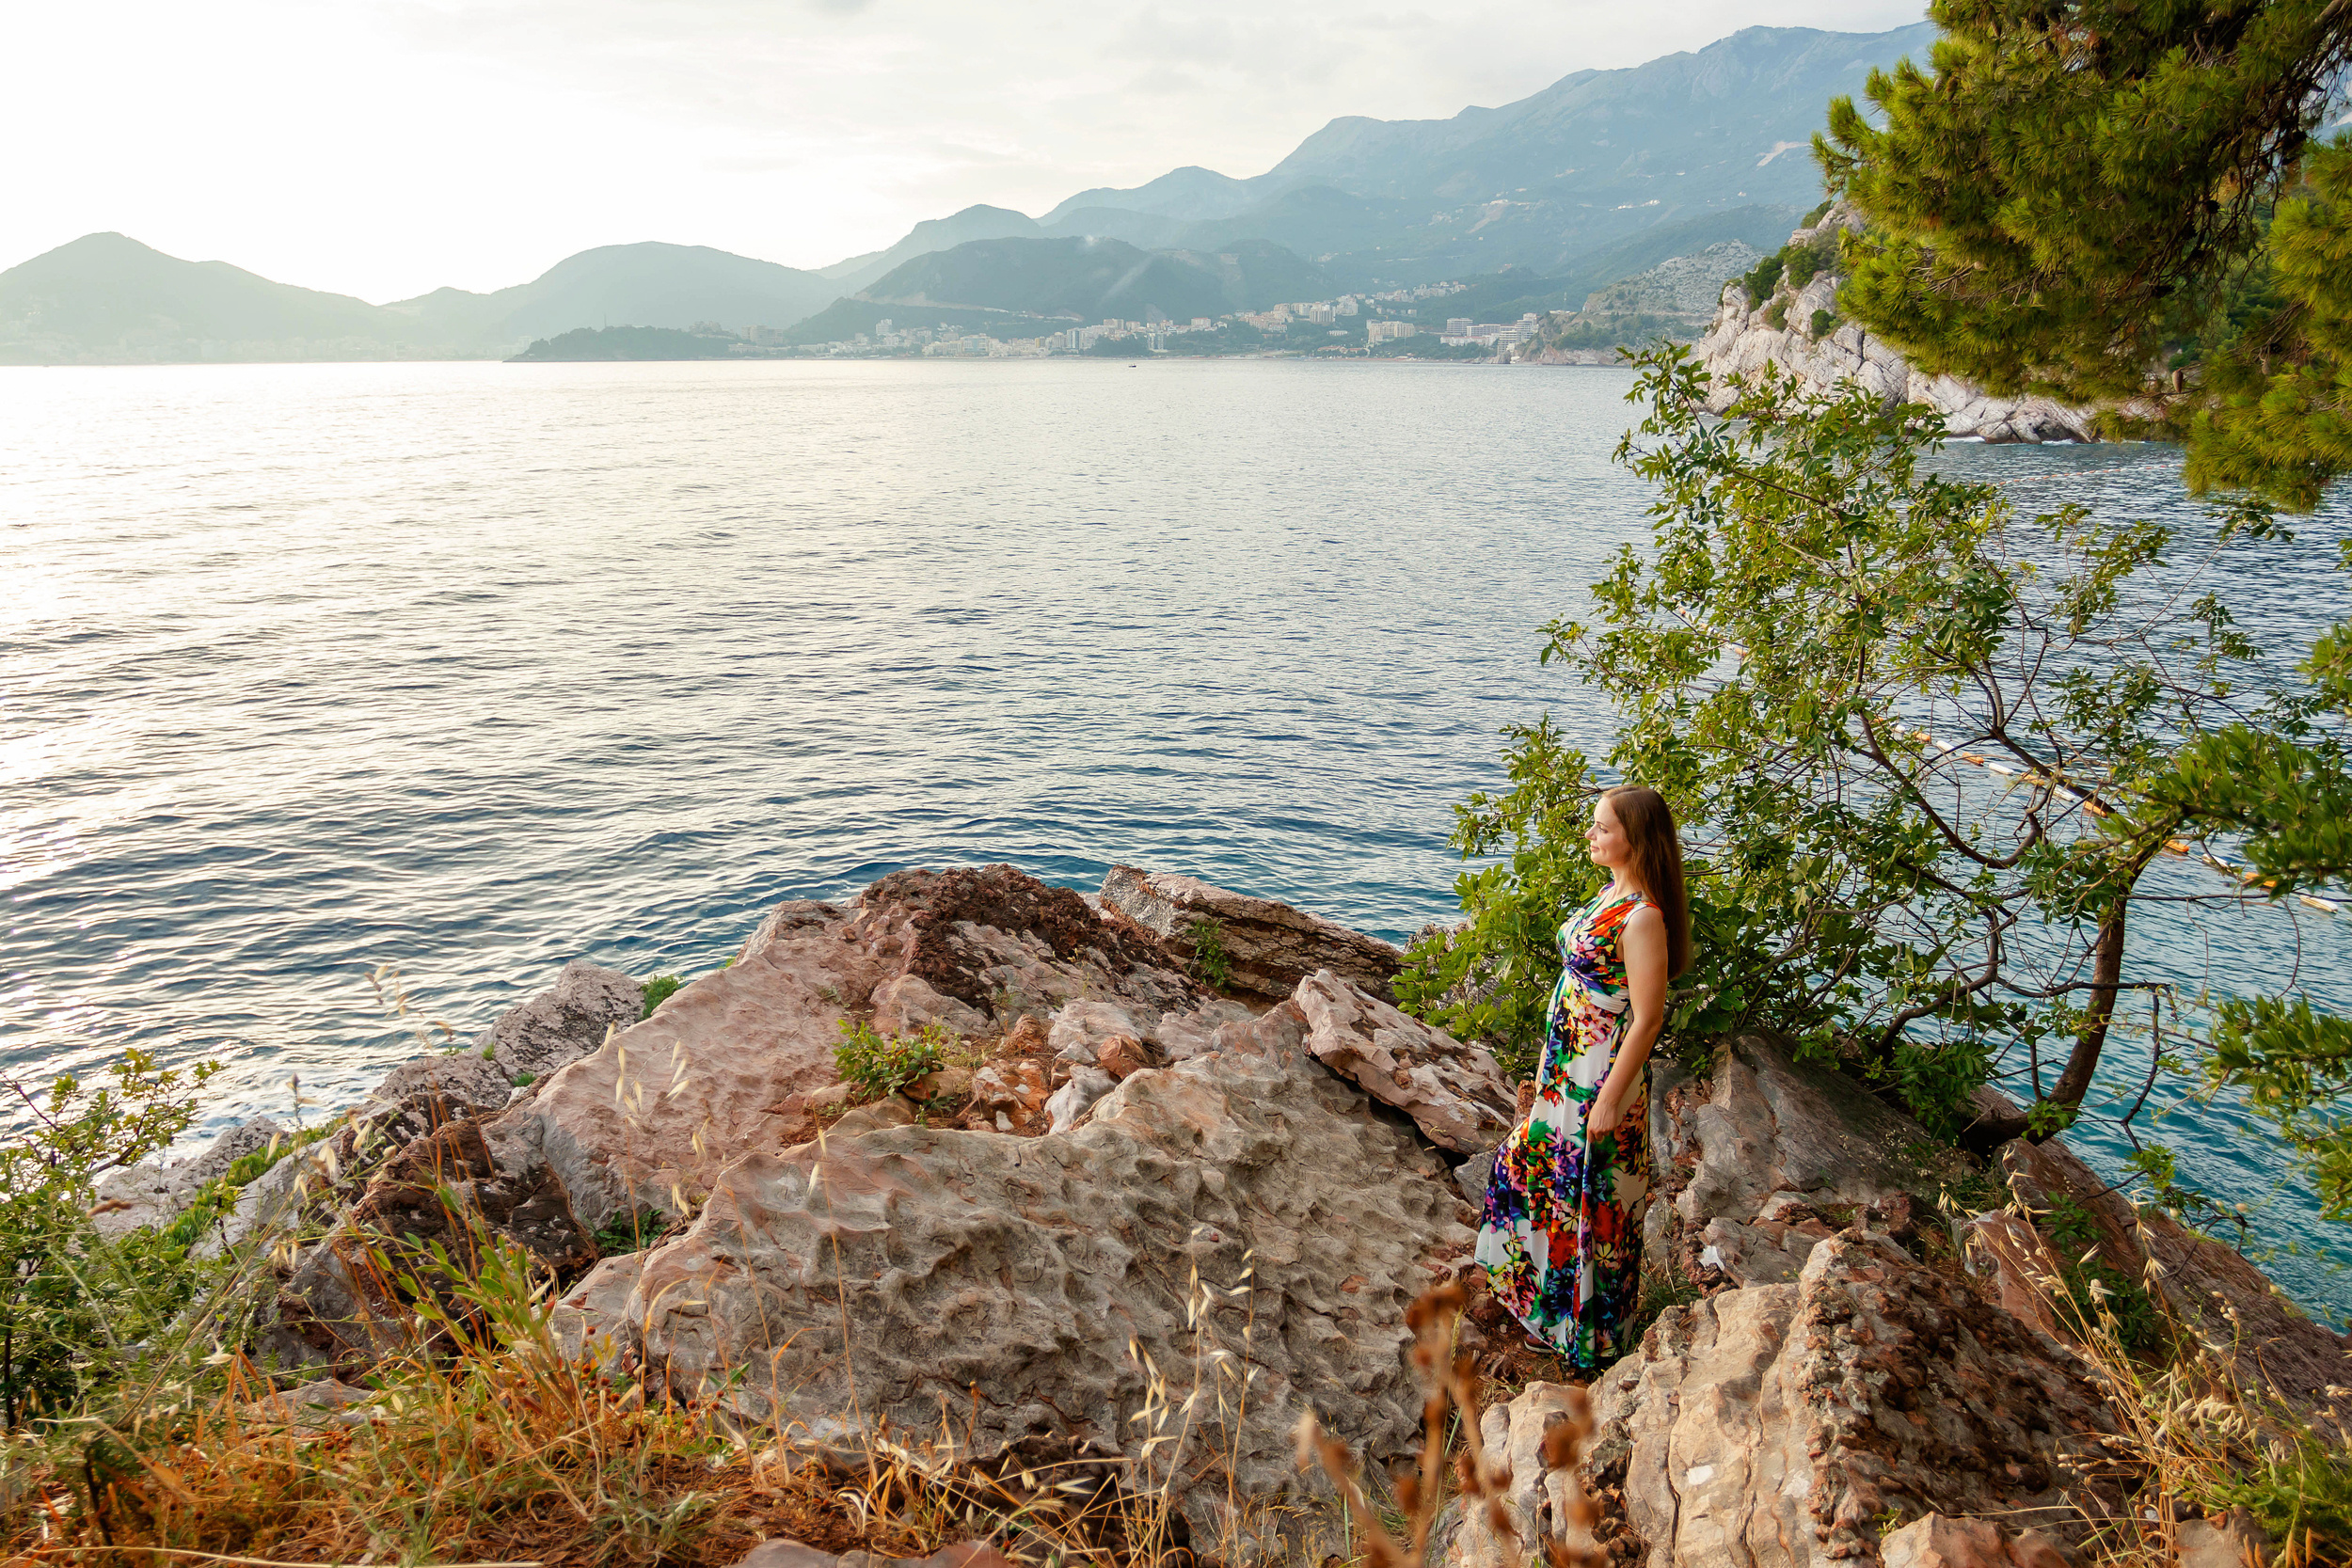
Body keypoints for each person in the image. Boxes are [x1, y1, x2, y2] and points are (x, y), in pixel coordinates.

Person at [1476, 784, 1691, 1374]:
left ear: (1635, 839)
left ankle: (1591, 1346)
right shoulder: (1609, 894)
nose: (1590, 835)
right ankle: (1546, 1311)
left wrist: (1611, 1099)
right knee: (1537, 1171)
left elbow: (1648, 1019)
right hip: (1566, 1070)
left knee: (1594, 1202)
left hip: (1599, 1079)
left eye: (1601, 827)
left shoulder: (1644, 917)